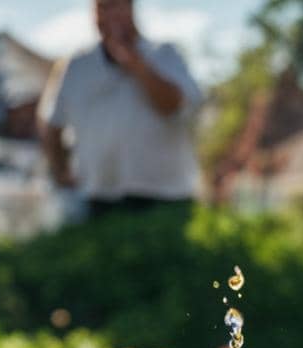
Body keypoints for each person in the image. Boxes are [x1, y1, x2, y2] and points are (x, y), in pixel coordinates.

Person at [38, 0, 202, 217]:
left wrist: (136, 64)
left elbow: (171, 106)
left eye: (115, 5)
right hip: (99, 199)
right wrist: (61, 173)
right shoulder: (77, 66)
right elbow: (51, 123)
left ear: (131, 7)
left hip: (166, 196)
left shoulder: (165, 55)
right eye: (101, 7)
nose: (108, 14)